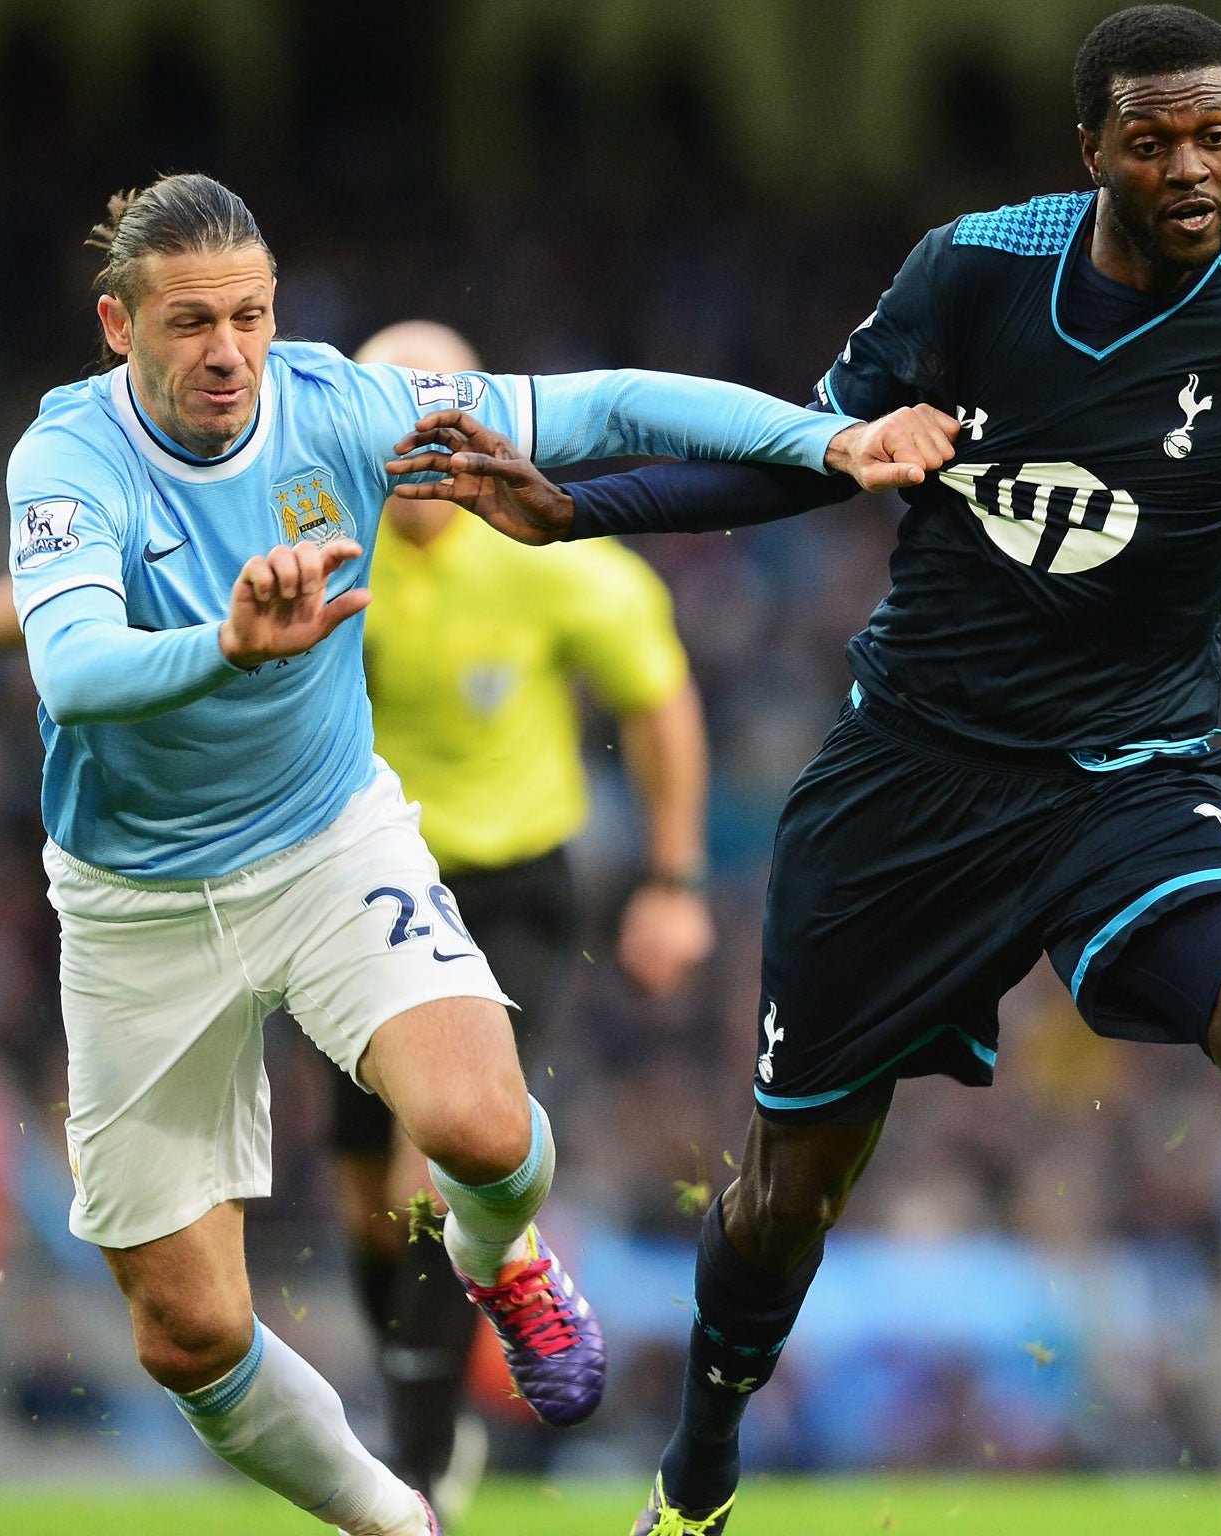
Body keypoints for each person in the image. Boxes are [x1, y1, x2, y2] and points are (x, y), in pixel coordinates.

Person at [393, 8, 1221, 1532]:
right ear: (1095, 150)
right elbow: (809, 450)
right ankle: (701, 1480)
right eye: (1156, 139)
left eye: (1219, 135)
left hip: (1141, 772)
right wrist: (578, 508)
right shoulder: (973, 271)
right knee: (791, 1196)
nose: (1193, 168)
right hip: (912, 778)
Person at [7, 171, 949, 1536]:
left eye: (251, 319)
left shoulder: (340, 407)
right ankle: (399, 1519)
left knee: (482, 1131)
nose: (227, 353)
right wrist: (223, 643)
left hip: (328, 841)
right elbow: (76, 667)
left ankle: (500, 1255)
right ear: (118, 326)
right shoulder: (69, 459)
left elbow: (606, 404)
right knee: (186, 1333)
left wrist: (828, 441)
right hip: (135, 905)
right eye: (191, 323)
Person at [334, 319, 715, 1523]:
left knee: (433, 1165)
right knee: (364, 1201)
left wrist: (673, 878)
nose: (416, 459)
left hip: (507, 891)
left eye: (435, 427)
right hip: (348, 887)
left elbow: (655, 700)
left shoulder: (546, 546)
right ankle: (425, 1423)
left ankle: (415, 1474)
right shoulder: (320, 544)